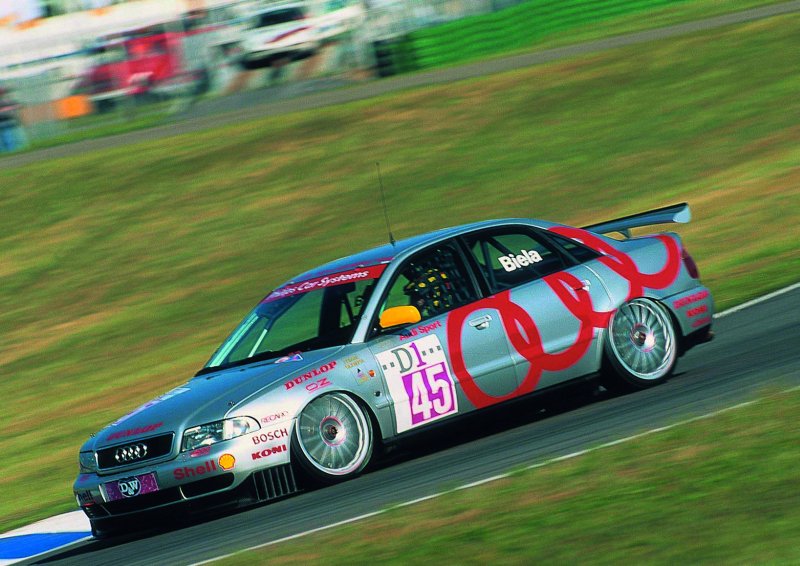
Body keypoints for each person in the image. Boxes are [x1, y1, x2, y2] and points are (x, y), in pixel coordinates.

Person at [0, 87, 22, 153]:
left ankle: (10, 149)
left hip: (6, 121)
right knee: (7, 135)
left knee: (7, 135)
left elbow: (18, 105)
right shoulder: (6, 101)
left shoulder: (7, 101)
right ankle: (10, 149)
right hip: (6, 121)